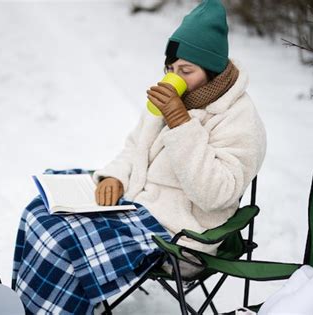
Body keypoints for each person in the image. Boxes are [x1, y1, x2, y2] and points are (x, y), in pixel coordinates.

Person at [93, 0, 267, 277]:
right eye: (171, 69)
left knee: (66, 241)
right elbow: (135, 148)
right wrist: (114, 177)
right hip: (137, 207)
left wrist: (180, 123)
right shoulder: (175, 98)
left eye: (186, 72)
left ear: (212, 71)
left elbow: (217, 195)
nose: (175, 79)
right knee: (42, 214)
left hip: (182, 239)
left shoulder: (239, 118)